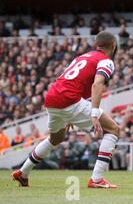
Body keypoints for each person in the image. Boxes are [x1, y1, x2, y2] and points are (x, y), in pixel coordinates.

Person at [11, 31, 120, 189]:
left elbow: (68, 79)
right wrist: (94, 114)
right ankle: (97, 179)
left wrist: (67, 114)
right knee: (113, 129)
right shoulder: (106, 61)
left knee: (55, 139)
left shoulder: (82, 57)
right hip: (69, 99)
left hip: (52, 97)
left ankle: (23, 172)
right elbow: (97, 85)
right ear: (113, 46)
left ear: (97, 45)